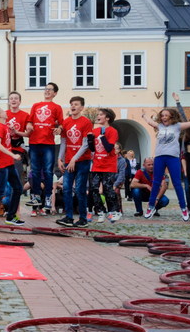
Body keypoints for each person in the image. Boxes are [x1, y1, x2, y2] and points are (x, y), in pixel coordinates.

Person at [140, 105, 190, 221]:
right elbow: (150, 122)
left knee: (177, 184)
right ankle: (150, 206)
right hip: (159, 157)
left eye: (166, 115)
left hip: (173, 157)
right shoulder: (159, 126)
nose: (164, 117)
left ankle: (184, 208)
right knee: (156, 182)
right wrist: (144, 115)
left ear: (171, 117)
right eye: (162, 115)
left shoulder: (177, 126)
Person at [24, 83, 63, 214]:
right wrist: (29, 125)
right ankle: (35, 197)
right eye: (45, 89)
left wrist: (59, 128)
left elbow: (61, 123)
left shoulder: (57, 107)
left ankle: (47, 198)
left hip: (48, 143)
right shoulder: (36, 105)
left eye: (50, 89)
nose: (47, 91)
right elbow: (29, 120)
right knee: (34, 171)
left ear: (55, 93)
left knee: (47, 171)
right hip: (34, 141)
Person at [55, 96, 93, 228]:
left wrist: (74, 159)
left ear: (81, 107)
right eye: (71, 104)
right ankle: (69, 217)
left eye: (76, 104)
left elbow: (85, 144)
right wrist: (60, 158)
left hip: (82, 161)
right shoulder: (66, 122)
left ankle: (83, 218)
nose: (73, 106)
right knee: (66, 188)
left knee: (80, 189)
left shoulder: (86, 122)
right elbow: (64, 142)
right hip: (68, 160)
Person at [87, 108, 121, 223]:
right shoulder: (95, 131)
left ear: (107, 118)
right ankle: (101, 211)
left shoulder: (112, 131)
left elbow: (108, 148)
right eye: (98, 114)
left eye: (101, 114)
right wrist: (90, 140)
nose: (98, 116)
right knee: (94, 189)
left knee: (107, 189)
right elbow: (93, 149)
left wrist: (102, 137)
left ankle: (114, 211)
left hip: (108, 165)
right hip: (97, 164)